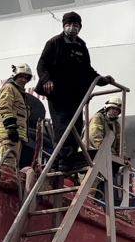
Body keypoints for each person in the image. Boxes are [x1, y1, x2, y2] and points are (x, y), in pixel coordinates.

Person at [35, 11, 113, 172]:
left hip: (75, 96)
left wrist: (102, 80)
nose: (71, 28)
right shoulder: (54, 42)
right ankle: (64, 160)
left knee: (76, 126)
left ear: (80, 27)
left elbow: (88, 71)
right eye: (68, 25)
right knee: (63, 126)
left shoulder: (81, 46)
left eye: (75, 25)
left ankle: (61, 161)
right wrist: (46, 79)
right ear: (64, 26)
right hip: (58, 94)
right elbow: (42, 64)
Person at [80, 97, 126, 196]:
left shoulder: (116, 125)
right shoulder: (98, 117)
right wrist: (106, 150)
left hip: (103, 156)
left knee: (99, 182)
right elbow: (95, 136)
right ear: (107, 108)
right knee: (91, 181)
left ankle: (92, 202)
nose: (115, 111)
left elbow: (120, 143)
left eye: (117, 110)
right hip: (89, 154)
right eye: (113, 108)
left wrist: (125, 158)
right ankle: (88, 201)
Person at [0, 64, 32, 169]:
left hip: (17, 137)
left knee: (13, 167)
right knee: (8, 166)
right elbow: (5, 107)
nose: (24, 80)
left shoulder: (21, 94)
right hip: (8, 135)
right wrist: (11, 127)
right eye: (21, 76)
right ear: (15, 76)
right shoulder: (9, 88)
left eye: (26, 78)